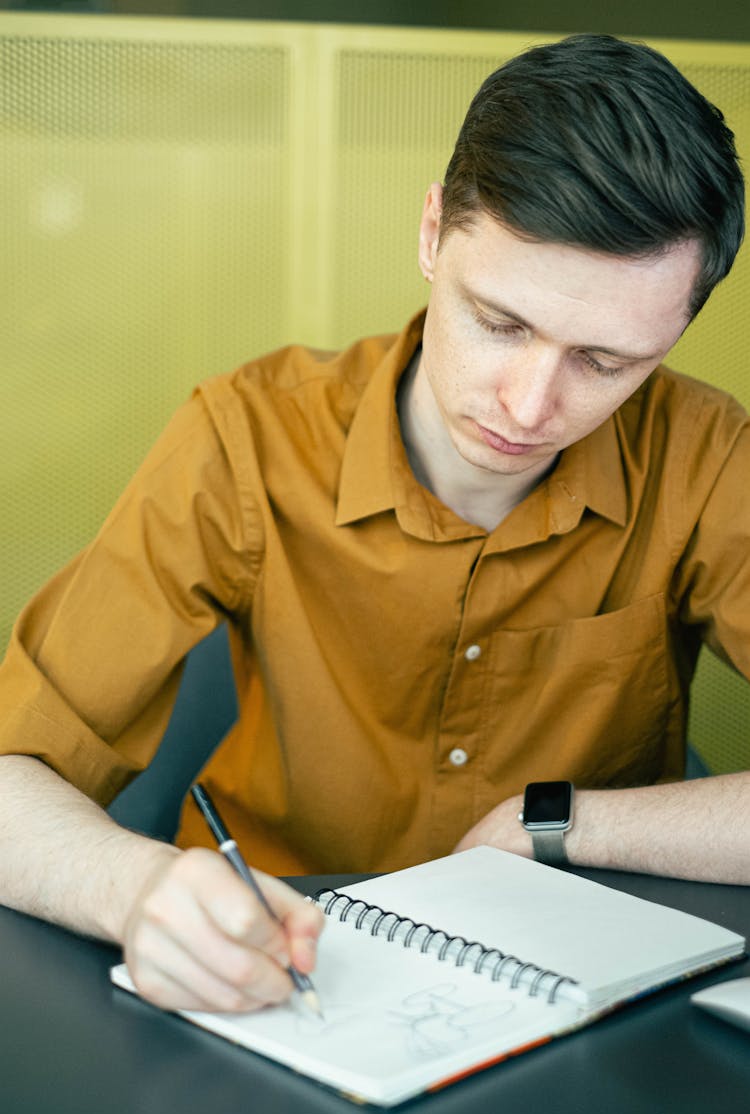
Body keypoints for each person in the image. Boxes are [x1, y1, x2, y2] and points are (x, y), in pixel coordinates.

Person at [0, 33, 748, 1016]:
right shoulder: (246, 439)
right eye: (501, 322)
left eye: (606, 364)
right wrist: (136, 893)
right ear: (434, 234)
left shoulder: (706, 457)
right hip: (273, 973)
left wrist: (560, 822)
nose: (529, 406)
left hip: (576, 996)